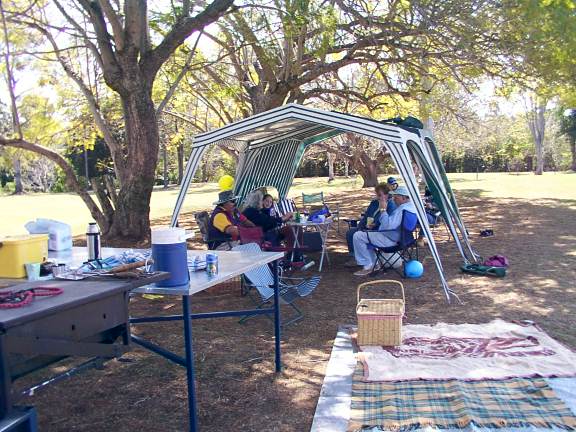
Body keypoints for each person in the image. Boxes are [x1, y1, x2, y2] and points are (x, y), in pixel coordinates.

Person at [352, 185, 416, 276]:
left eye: (396, 197)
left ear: (403, 198)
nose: (394, 199)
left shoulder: (402, 209)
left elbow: (388, 226)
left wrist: (383, 210)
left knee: (358, 236)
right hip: (405, 239)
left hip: (391, 239)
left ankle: (369, 266)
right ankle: (374, 263)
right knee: (364, 235)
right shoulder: (412, 208)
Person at [345, 183, 396, 266]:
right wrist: (361, 226)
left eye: (380, 195)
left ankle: (368, 262)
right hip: (368, 227)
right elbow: (366, 216)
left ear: (387, 194)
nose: (378, 197)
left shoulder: (391, 205)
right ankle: (354, 256)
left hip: (379, 230)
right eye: (377, 195)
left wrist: (375, 225)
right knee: (351, 232)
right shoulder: (374, 203)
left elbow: (387, 222)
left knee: (358, 236)